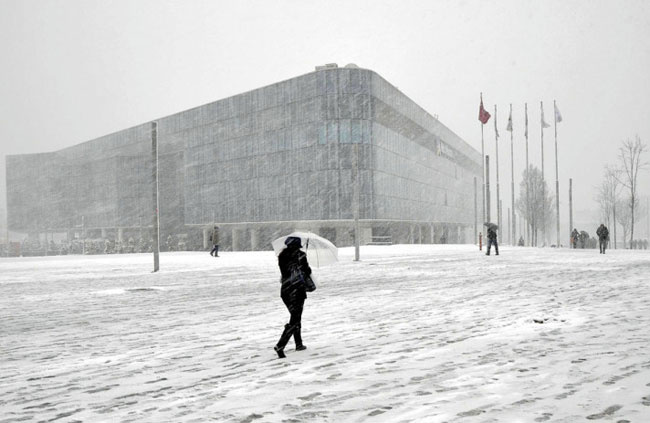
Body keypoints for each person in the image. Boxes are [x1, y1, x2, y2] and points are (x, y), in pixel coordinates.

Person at [274, 236, 311, 358]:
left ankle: (298, 343)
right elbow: (307, 271)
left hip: (285, 290)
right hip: (297, 290)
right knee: (295, 319)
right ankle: (281, 345)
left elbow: (285, 272)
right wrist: (303, 261)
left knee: (295, 317)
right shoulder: (300, 255)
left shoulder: (282, 256)